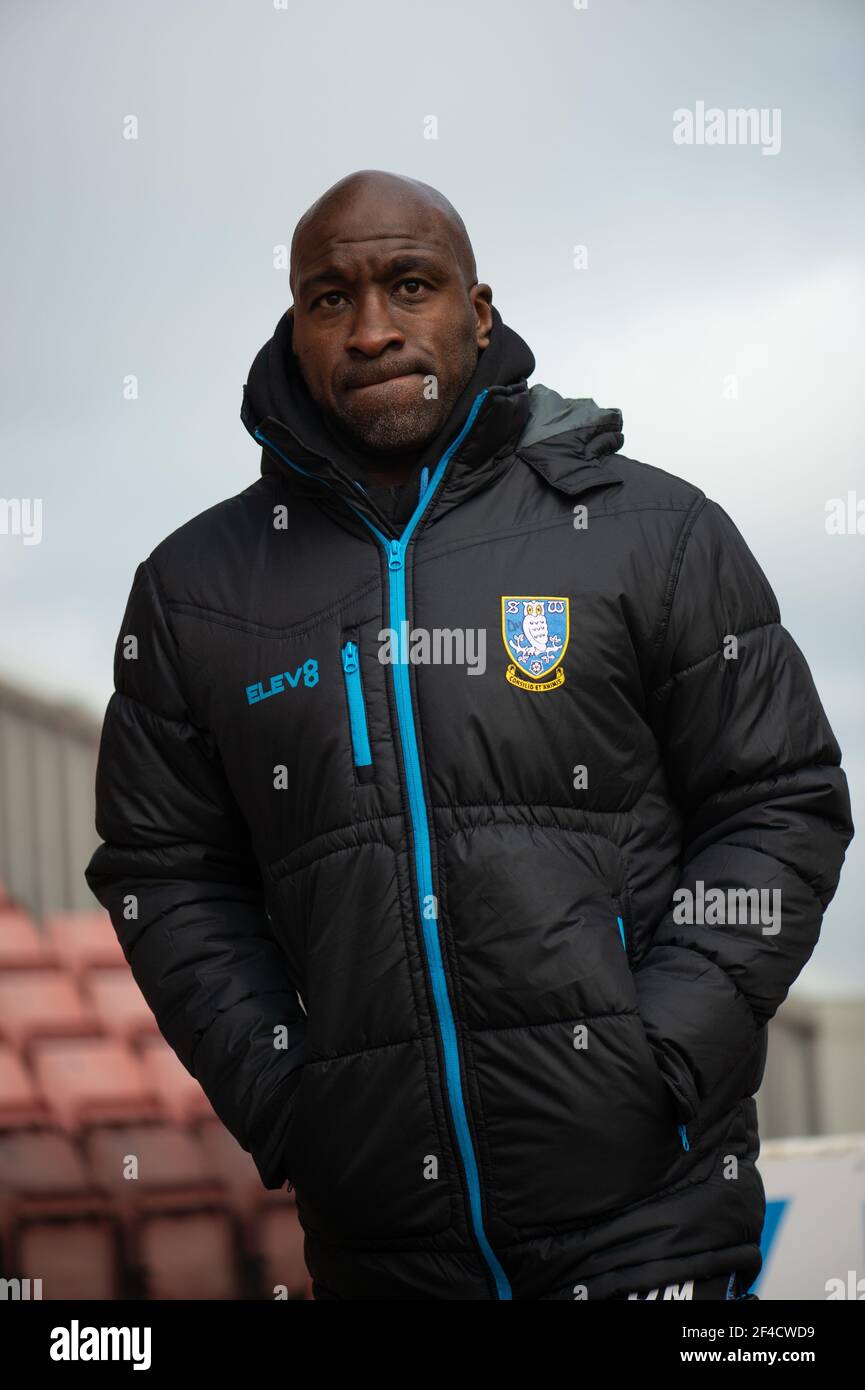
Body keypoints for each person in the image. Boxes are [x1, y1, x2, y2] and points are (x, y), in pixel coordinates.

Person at [85, 168, 853, 1301]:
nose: (375, 328)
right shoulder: (194, 593)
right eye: (330, 298)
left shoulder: (649, 529)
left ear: (479, 310)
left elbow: (780, 800)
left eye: (410, 284)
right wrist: (292, 1097)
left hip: (650, 1222)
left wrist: (668, 1052)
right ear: (294, 328)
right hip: (383, 1250)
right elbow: (165, 872)